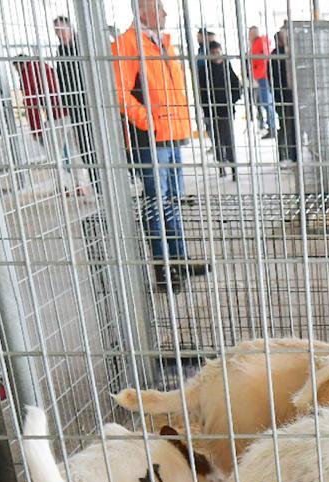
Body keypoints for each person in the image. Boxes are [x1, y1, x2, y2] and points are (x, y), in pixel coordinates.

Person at [113, 0, 204, 284]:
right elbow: (119, 92)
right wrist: (146, 120)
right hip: (152, 138)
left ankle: (179, 260)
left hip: (173, 134)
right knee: (157, 203)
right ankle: (164, 268)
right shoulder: (127, 44)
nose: (165, 13)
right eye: (159, 8)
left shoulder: (163, 43)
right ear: (143, 13)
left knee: (172, 201)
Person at [53, 15, 96, 179]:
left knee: (99, 139)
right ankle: (97, 183)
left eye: (61, 29)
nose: (59, 34)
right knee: (85, 144)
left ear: (70, 27)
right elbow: (62, 77)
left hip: (91, 100)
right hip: (76, 104)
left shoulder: (84, 45)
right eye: (56, 31)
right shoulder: (61, 50)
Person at [199, 41, 243, 180]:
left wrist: (232, 101)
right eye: (213, 53)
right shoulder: (204, 71)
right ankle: (221, 167)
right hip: (212, 112)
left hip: (226, 110)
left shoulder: (227, 68)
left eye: (218, 52)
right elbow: (202, 93)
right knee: (217, 141)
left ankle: (233, 169)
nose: (217, 56)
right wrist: (207, 109)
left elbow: (237, 86)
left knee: (228, 140)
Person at [269, 25, 299, 163]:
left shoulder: (282, 54)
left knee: (289, 125)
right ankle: (286, 155)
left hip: (285, 94)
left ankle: (291, 155)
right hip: (284, 94)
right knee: (286, 125)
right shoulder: (277, 55)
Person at [248, 25, 277, 138]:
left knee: (266, 103)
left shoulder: (260, 43)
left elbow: (263, 59)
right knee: (265, 102)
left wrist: (259, 72)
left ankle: (272, 127)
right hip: (261, 76)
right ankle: (271, 126)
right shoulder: (258, 43)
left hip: (263, 76)